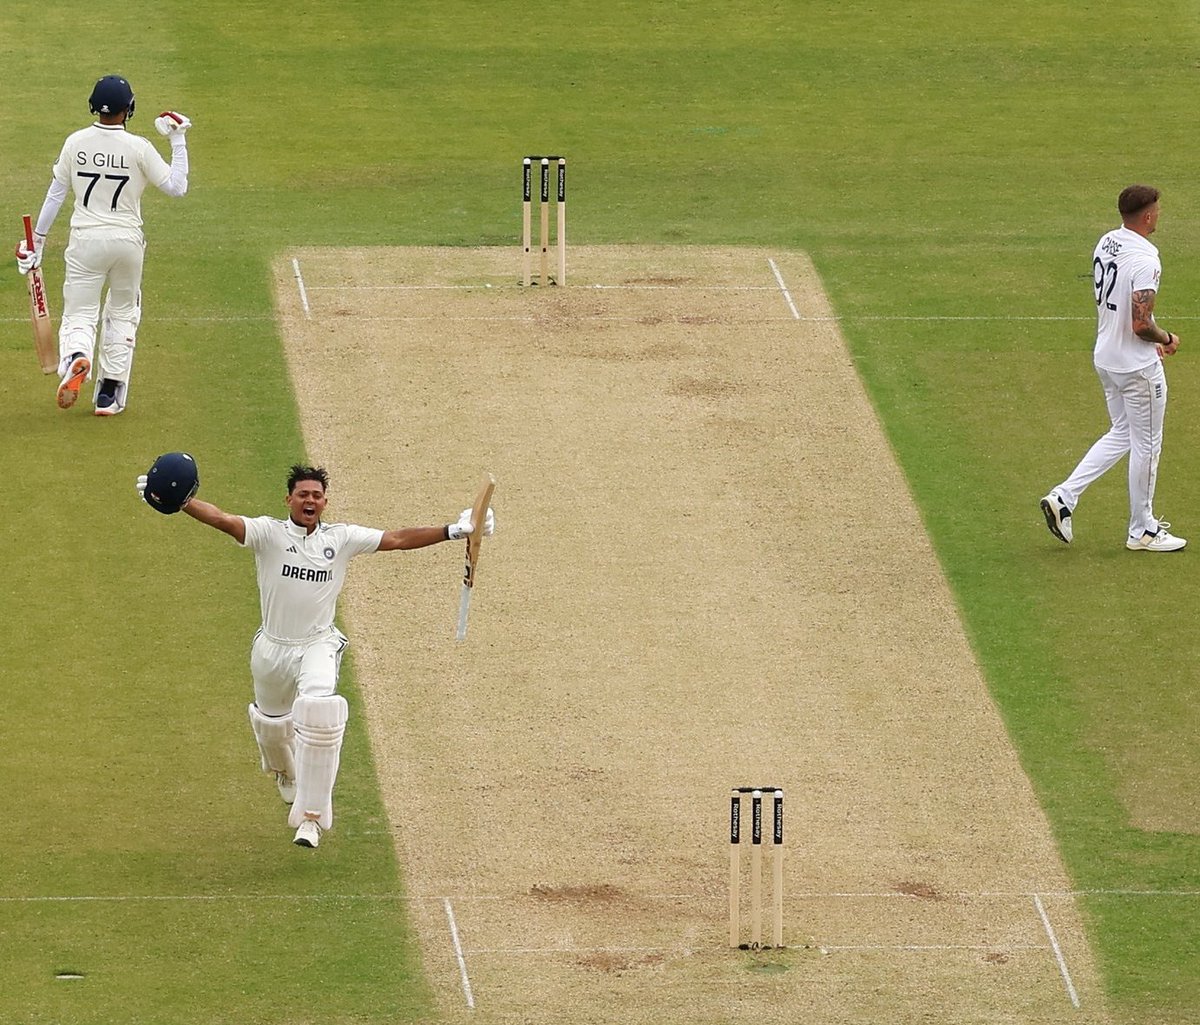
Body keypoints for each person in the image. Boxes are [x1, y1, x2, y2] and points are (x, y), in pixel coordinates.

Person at [135, 461, 496, 849]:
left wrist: (452, 530)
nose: (310, 500)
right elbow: (222, 519)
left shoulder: (341, 539)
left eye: (317, 495)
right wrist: (182, 501)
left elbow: (395, 539)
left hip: (317, 644)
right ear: (288, 499)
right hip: (272, 648)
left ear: (325, 502)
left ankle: (310, 818)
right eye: (303, 494)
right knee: (273, 730)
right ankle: (285, 771)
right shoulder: (268, 534)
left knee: (320, 715)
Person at [14, 75, 191, 416]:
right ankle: (109, 393)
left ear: (94, 106)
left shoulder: (75, 142)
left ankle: (77, 355)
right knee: (123, 312)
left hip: (86, 241)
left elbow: (56, 194)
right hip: (127, 242)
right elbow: (176, 187)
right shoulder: (139, 147)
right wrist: (178, 138)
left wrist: (37, 242)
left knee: (80, 312)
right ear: (129, 109)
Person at [1040, 184, 1185, 552]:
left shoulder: (1107, 242)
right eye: (1157, 210)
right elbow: (1140, 323)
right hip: (1137, 368)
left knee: (1122, 433)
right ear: (1148, 215)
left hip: (1106, 358)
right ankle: (1143, 530)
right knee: (1147, 446)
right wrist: (1165, 337)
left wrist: (1151, 335)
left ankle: (1063, 497)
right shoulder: (1147, 259)